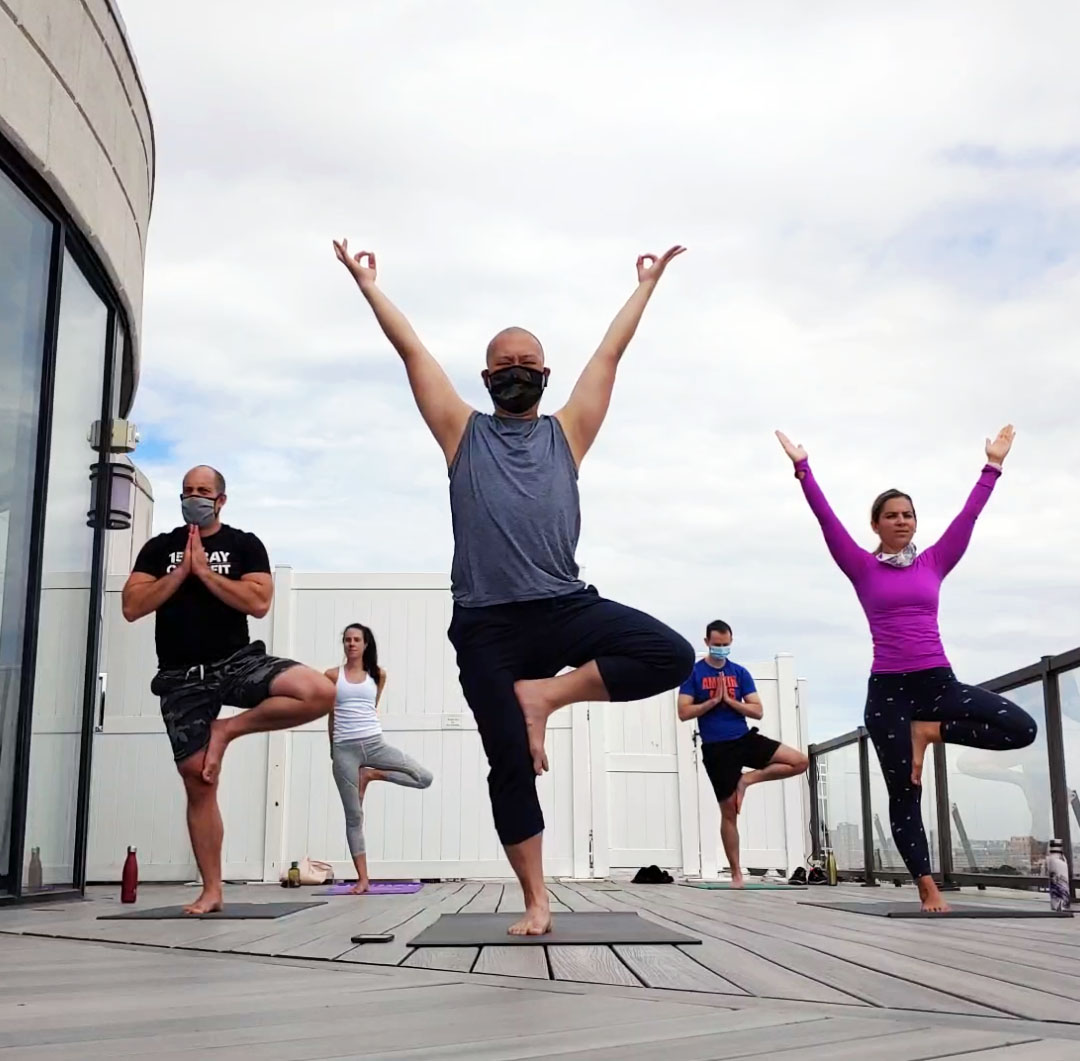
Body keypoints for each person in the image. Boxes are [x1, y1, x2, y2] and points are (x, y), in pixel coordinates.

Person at [333, 238, 695, 934]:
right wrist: (367, 284)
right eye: (505, 366)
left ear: (546, 375)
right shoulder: (461, 432)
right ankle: (536, 899)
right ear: (487, 376)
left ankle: (544, 696)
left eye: (528, 364)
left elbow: (609, 355)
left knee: (670, 654)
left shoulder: (569, 431)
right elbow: (412, 353)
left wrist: (646, 286)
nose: (517, 372)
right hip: (487, 625)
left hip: (563, 606)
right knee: (508, 762)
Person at [775, 425, 1037, 912]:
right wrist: (803, 468)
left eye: (908, 514)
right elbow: (825, 519)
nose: (902, 521)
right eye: (892, 515)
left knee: (1021, 728)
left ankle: (930, 731)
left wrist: (993, 466)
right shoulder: (861, 567)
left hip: (938, 683)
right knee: (904, 791)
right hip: (889, 691)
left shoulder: (934, 561)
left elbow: (969, 516)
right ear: (876, 525)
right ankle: (926, 884)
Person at [121, 465, 335, 914]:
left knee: (318, 691)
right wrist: (180, 573)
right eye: (187, 491)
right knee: (198, 779)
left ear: (220, 500)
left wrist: (205, 572)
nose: (193, 497)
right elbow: (132, 606)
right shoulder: (159, 548)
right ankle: (212, 890)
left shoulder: (243, 544)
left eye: (203, 491)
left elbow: (259, 602)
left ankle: (227, 730)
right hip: (181, 675)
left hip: (236, 662)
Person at [678, 620, 808, 887]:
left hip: (744, 738)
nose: (721, 648)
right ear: (707, 642)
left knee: (799, 761)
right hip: (717, 749)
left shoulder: (739, 673)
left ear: (731, 642)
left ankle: (746, 780)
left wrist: (730, 701)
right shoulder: (695, 673)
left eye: (726, 644)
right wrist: (713, 702)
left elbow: (757, 711)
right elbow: (683, 712)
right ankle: (736, 873)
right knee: (729, 813)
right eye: (717, 644)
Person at [325, 623, 433, 893]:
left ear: (365, 644)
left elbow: (372, 707)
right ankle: (363, 879)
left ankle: (372, 774)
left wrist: (373, 768)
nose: (351, 644)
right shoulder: (331, 676)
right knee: (354, 816)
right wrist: (333, 750)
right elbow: (331, 714)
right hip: (344, 750)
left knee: (424, 778)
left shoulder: (378, 675)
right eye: (347, 640)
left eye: (356, 640)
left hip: (374, 744)